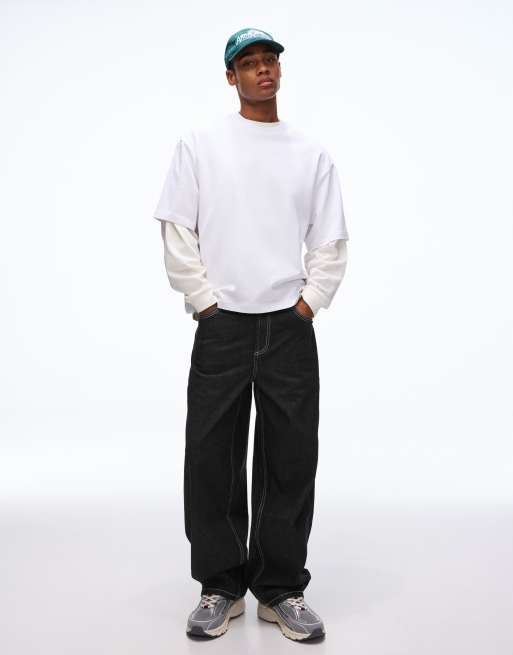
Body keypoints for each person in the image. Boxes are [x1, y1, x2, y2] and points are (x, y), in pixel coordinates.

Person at [152, 27, 349, 641]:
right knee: (211, 455)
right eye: (249, 63)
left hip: (288, 325)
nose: (263, 70)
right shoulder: (200, 144)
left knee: (291, 457)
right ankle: (220, 586)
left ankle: (281, 589)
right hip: (223, 327)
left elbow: (330, 238)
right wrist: (205, 302)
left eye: (270, 61)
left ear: (279, 71)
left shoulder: (309, 153)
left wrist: (308, 304)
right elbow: (177, 228)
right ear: (230, 76)